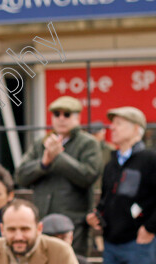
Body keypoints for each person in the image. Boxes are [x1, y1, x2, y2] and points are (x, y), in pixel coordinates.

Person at [87, 106, 156, 264]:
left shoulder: (149, 159)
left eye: (118, 123)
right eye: (112, 123)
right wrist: (97, 215)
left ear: (137, 129)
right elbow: (108, 199)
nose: (112, 128)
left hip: (140, 245)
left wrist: (150, 228)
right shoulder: (111, 163)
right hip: (112, 245)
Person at [16, 96, 102, 255]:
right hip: (42, 221)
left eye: (67, 114)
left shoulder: (88, 143)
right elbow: (20, 176)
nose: (61, 118)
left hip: (73, 225)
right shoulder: (41, 143)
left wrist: (58, 157)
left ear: (77, 117)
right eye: (57, 114)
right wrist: (43, 164)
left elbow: (89, 175)